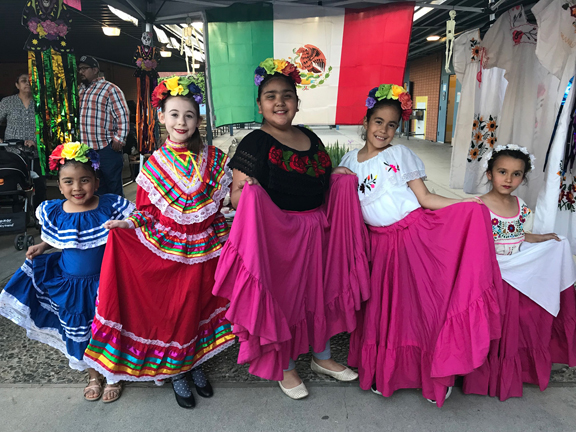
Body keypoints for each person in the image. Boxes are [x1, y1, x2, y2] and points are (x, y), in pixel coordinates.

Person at [212, 59, 370, 400]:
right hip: (278, 237)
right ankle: (285, 364)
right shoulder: (253, 144)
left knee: (321, 292)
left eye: (287, 95)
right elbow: (238, 199)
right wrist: (248, 189)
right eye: (270, 96)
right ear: (259, 104)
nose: (279, 102)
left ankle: (322, 357)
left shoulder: (310, 137)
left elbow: (317, 180)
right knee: (283, 300)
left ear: (297, 102)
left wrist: (337, 179)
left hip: (317, 229)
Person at [339, 84, 503, 407]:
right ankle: (385, 372)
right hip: (380, 248)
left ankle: (436, 374)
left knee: (424, 306)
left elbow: (425, 198)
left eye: (391, 125)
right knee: (387, 313)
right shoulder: (348, 161)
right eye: (378, 122)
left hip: (416, 237)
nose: (383, 130)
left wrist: (465, 204)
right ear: (366, 121)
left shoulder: (400, 155)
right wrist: (339, 176)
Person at [83, 76, 235, 409]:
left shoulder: (215, 159)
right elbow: (147, 210)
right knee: (173, 312)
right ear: (162, 118)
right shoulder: (153, 164)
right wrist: (127, 224)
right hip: (168, 253)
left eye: (190, 115)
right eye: (175, 114)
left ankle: (194, 364)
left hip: (208, 249)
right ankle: (176, 371)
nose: (182, 122)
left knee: (199, 308)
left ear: (198, 120)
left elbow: (226, 201)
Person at [0, 142, 134, 402]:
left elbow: (133, 227)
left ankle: (113, 375)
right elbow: (62, 238)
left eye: (84, 180)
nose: (77, 188)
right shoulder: (55, 212)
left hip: (105, 283)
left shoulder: (108, 206)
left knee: (106, 328)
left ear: (96, 181)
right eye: (68, 181)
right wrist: (42, 245)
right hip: (71, 286)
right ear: (59, 186)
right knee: (80, 329)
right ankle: (93, 374)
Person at [462, 144, 576, 400]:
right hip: (489, 280)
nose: (509, 179)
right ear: (489, 173)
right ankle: (483, 377)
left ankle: (510, 375)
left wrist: (543, 238)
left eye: (516, 174)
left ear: (523, 178)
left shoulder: (520, 206)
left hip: (516, 280)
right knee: (491, 329)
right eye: (502, 171)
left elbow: (516, 235)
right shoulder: (476, 205)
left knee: (514, 328)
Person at [78, 55, 129, 196]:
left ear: (95, 70)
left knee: (113, 187)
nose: (81, 72)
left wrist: (120, 139)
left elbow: (122, 114)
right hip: (87, 150)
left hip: (107, 148)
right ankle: (102, 218)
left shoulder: (110, 89)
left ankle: (119, 217)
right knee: (95, 187)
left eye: (84, 68)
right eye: (79, 69)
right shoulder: (80, 90)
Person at [0, 73, 47, 209]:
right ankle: (18, 215)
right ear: (17, 85)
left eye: (30, 81)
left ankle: (39, 215)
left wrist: (37, 142)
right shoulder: (7, 102)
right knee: (15, 184)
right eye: (23, 81)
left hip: (36, 152)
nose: (27, 83)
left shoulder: (41, 103)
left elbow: (49, 127)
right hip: (13, 152)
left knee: (39, 185)